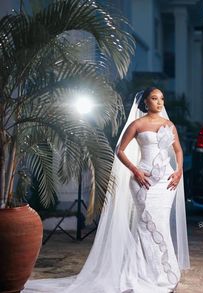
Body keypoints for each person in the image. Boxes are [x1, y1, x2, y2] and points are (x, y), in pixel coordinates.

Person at [24, 87, 190, 293]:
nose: (159, 102)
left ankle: (163, 273)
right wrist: (135, 171)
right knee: (145, 226)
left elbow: (178, 150)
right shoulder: (137, 124)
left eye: (162, 99)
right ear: (145, 102)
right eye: (154, 98)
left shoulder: (169, 124)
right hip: (143, 180)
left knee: (161, 224)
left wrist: (179, 171)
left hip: (166, 182)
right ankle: (142, 273)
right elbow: (119, 151)